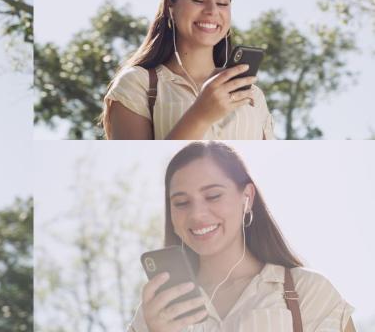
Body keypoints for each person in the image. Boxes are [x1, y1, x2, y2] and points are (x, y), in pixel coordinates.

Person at [129, 141, 354, 331]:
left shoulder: (308, 289)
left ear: (247, 197)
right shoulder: (155, 311)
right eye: (181, 203)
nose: (197, 214)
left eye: (213, 196)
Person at [103, 0, 275, 140]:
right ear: (170, 7)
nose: (212, 10)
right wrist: (200, 116)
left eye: (222, 3)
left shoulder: (253, 94)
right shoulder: (137, 84)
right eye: (198, 0)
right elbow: (139, 166)